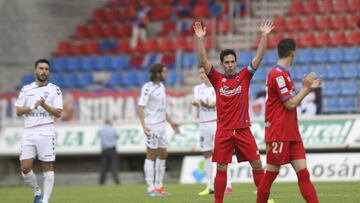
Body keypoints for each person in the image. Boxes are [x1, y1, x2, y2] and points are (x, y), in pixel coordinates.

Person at [193, 20, 274, 203]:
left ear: (236, 62)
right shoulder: (216, 78)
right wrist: (200, 39)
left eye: (232, 62)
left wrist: (264, 36)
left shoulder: (244, 76)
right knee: (221, 167)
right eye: (227, 62)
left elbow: (259, 58)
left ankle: (264, 199)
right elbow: (203, 61)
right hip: (224, 131)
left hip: (243, 129)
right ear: (222, 64)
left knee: (257, 163)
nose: (230, 65)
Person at [256, 39, 321, 203]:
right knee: (271, 174)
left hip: (291, 132)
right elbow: (290, 103)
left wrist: (306, 89)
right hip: (278, 132)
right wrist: (306, 89)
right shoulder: (277, 74)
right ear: (292, 53)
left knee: (303, 173)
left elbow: (289, 102)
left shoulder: (284, 74)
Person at [15, 59, 63, 203]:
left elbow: (58, 113)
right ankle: (37, 190)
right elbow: (18, 110)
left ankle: (45, 200)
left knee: (47, 165)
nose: (44, 71)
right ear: (35, 70)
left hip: (46, 130)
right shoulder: (26, 89)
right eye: (41, 68)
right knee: (25, 168)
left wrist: (44, 105)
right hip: (29, 132)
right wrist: (32, 107)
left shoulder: (55, 89)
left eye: (46, 69)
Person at [137, 63, 180, 196]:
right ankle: (150, 188)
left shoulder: (162, 87)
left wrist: (172, 123)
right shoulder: (147, 88)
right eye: (164, 72)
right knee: (151, 155)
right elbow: (141, 107)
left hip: (162, 126)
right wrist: (144, 126)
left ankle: (159, 186)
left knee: (163, 154)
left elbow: (162, 109)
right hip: (152, 126)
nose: (166, 75)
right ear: (157, 74)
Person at [192, 63, 233, 196]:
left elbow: (213, 104)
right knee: (206, 154)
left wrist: (202, 103)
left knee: (222, 155)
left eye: (204, 72)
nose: (202, 75)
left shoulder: (218, 86)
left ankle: (228, 185)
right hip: (203, 125)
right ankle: (209, 186)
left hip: (217, 125)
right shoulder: (198, 88)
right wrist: (196, 102)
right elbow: (195, 101)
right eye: (200, 73)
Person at [99, 118, 120, 185]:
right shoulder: (113, 129)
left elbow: (102, 139)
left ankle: (101, 182)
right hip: (112, 149)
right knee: (114, 166)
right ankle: (116, 181)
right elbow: (117, 137)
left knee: (103, 166)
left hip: (105, 150)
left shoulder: (102, 130)